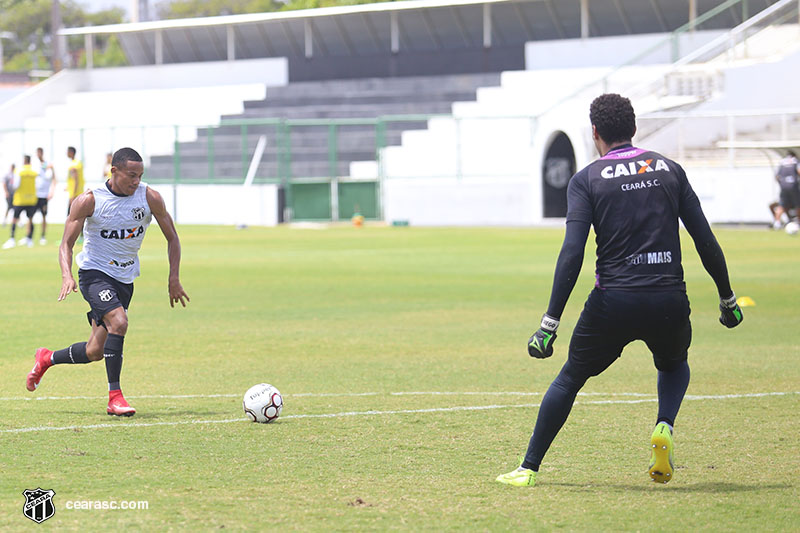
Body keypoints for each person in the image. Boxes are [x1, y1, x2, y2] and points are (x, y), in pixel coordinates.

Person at [496, 94, 744, 488]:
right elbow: (704, 239)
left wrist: (549, 323)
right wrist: (727, 298)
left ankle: (527, 467)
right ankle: (664, 426)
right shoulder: (669, 170)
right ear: (634, 128)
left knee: (570, 378)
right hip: (667, 296)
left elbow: (572, 252)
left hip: (613, 300)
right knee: (674, 363)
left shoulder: (588, 179)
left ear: (594, 132)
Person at [25, 147, 190, 416]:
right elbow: (66, 244)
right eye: (131, 175)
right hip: (94, 274)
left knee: (94, 350)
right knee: (119, 322)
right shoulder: (90, 200)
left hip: (125, 280)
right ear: (114, 171)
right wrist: (67, 275)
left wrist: (174, 278)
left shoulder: (150, 197)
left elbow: (172, 237)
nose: (136, 181)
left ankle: (47, 358)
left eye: (140, 175)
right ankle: (115, 397)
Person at [2, 156, 38, 249]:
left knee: (14, 219)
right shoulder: (33, 172)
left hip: (20, 199)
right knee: (30, 219)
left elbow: (15, 185)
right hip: (31, 199)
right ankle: (29, 239)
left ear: (24, 161)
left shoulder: (19, 171)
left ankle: (12, 239)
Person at [34, 147, 56, 245]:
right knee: (30, 215)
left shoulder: (48, 164)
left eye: (40, 152)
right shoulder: (34, 165)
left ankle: (43, 236)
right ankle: (29, 237)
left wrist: (52, 191)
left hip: (44, 195)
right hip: (34, 194)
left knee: (43, 215)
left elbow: (54, 179)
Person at [773, 150, 800, 228]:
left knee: (781, 205)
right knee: (798, 205)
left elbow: (777, 176)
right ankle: (798, 222)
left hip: (784, 187)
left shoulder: (782, 162)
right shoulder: (795, 161)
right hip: (793, 186)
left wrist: (782, 184)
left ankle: (776, 223)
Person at [66, 146, 85, 214]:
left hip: (75, 193)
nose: (66, 153)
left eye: (67, 152)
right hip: (77, 192)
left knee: (71, 215)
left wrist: (73, 194)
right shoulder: (77, 163)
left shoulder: (74, 165)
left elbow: (76, 180)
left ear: (71, 153)